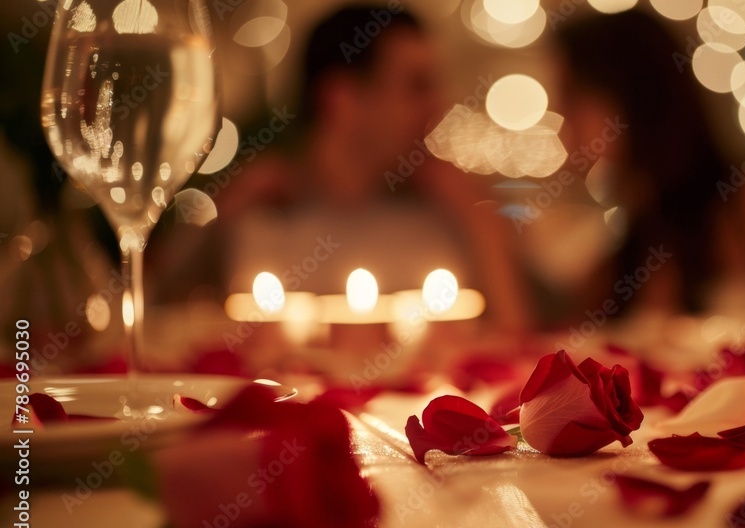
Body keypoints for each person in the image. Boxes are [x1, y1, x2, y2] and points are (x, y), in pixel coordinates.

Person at [150, 5, 531, 334]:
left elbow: (516, 344)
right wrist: (217, 222)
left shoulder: (448, 210)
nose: (438, 105)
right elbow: (154, 325)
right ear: (342, 98)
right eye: (417, 86)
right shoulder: (257, 212)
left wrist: (481, 226)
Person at [549, 9, 745, 318]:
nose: (561, 115)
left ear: (632, 93)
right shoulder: (625, 251)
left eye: (572, 94)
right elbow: (554, 352)